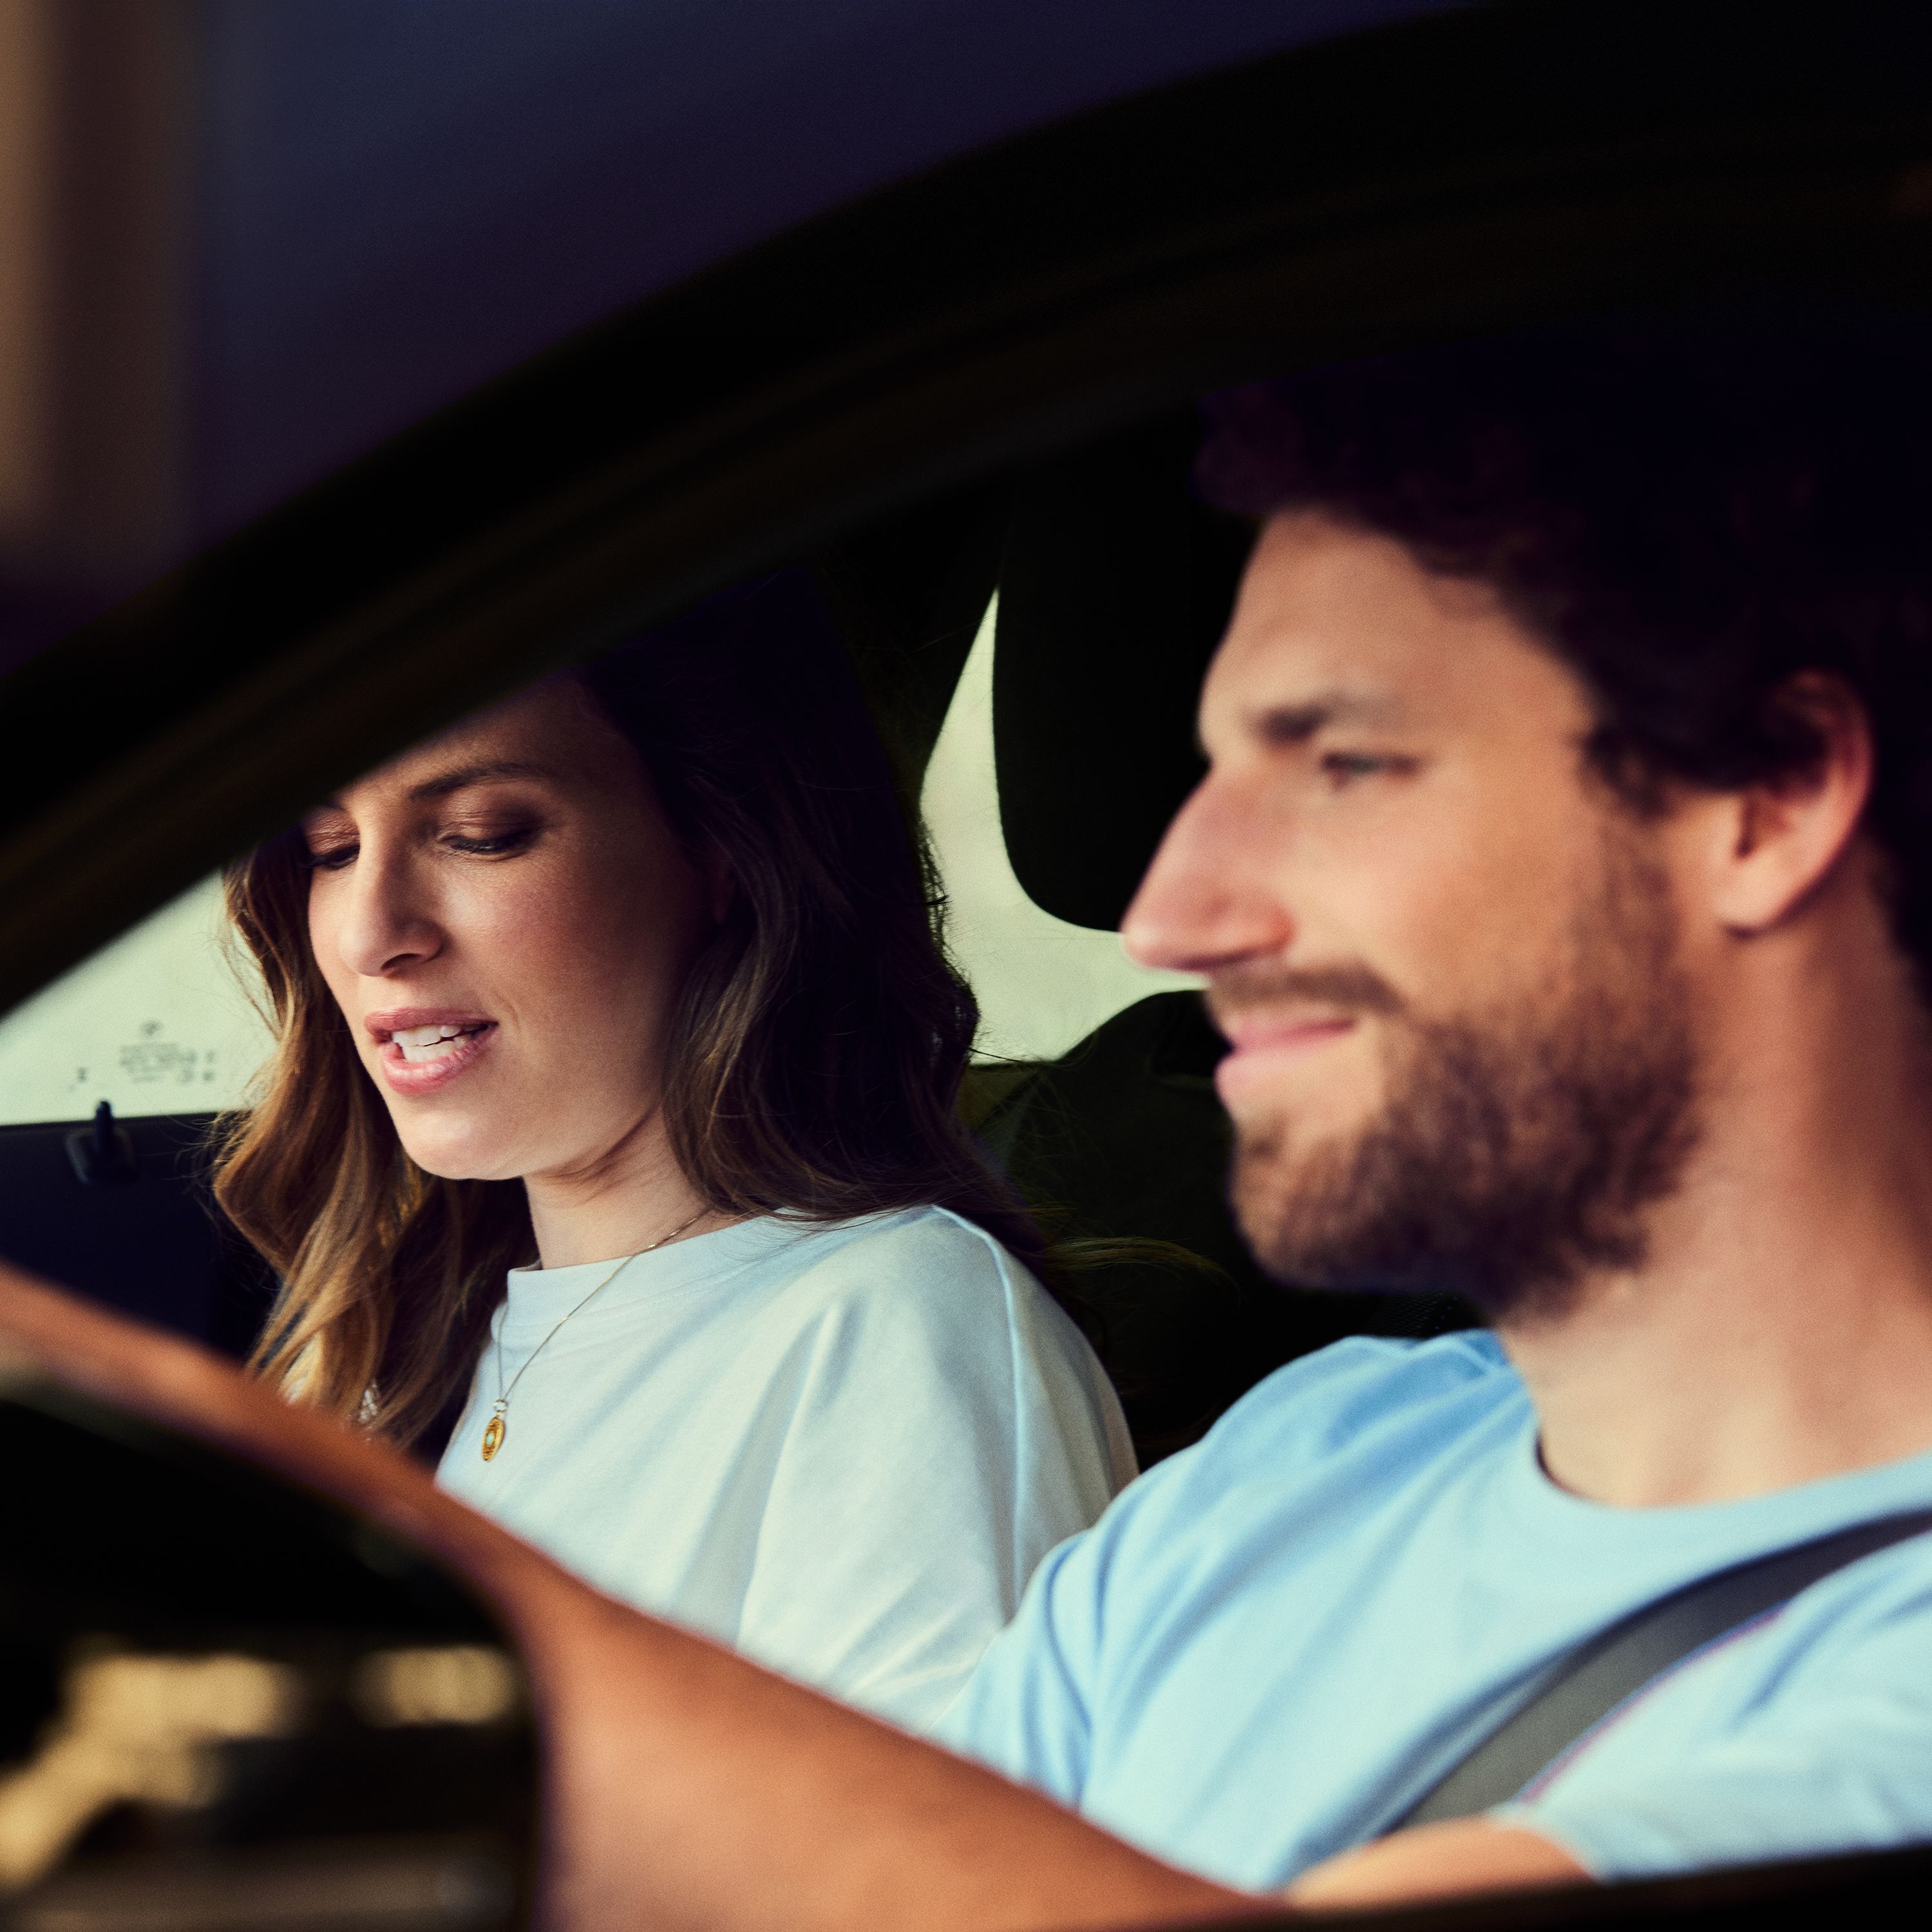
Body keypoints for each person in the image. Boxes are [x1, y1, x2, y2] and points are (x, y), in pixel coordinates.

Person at [445, 317, 1932, 1930]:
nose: (1172, 914)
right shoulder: (1297, 1471)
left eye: (1346, 764)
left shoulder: (1890, 1656)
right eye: (1212, 771)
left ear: (1770, 800)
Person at [211, 571, 1134, 1733]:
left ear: (720, 854)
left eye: (481, 835)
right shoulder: (391, 1340)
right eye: (332, 848)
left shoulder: (895, 1327)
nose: (371, 931)